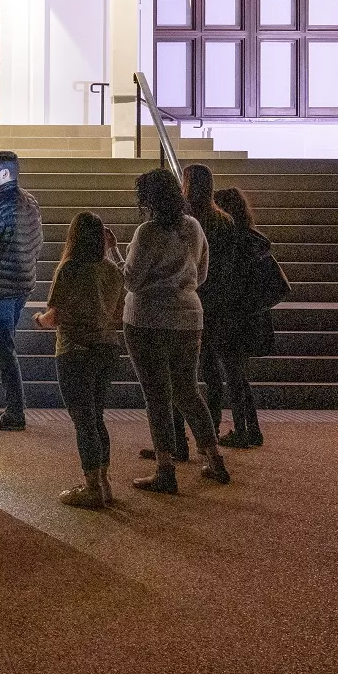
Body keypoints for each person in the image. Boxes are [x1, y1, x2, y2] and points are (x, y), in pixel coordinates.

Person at [107, 168, 230, 493]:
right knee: (188, 390)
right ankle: (214, 457)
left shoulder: (147, 232)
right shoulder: (193, 227)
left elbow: (131, 280)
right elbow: (201, 275)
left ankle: (165, 468)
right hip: (188, 317)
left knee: (157, 395)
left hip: (147, 319)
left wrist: (114, 252)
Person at [138, 162, 238, 463]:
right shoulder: (223, 221)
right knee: (200, 378)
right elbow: (215, 265)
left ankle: (175, 443)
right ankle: (211, 437)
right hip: (209, 304)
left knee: (168, 384)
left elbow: (136, 276)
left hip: (179, 303)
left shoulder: (180, 223)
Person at [34, 211, 125, 509]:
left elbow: (55, 316)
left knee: (83, 420)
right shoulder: (111, 271)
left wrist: (38, 320)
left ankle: (91, 486)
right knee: (97, 416)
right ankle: (104, 481)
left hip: (75, 349)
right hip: (107, 348)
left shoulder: (70, 268)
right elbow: (119, 313)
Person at [0, 150, 44, 431]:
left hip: (0, 284)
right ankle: (13, 410)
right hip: (23, 282)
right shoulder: (30, 201)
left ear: (5, 174)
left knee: (4, 350)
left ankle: (15, 412)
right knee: (7, 346)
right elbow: (37, 242)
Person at [213, 186, 275, 449]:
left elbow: (227, 282)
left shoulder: (230, 243)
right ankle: (252, 428)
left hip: (233, 317)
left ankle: (242, 430)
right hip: (253, 316)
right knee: (239, 375)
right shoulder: (253, 239)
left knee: (233, 375)